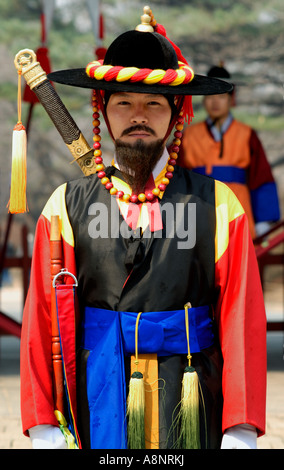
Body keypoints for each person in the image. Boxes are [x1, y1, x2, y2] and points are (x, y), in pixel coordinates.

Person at [20, 9, 267, 450]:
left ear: (175, 114)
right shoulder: (65, 206)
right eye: (124, 103)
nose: (139, 115)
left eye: (153, 103)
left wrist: (240, 428)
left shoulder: (218, 204)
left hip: (191, 390)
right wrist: (43, 426)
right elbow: (41, 322)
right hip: (98, 393)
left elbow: (240, 319)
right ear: (103, 111)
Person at [178, 63, 280, 240]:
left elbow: (260, 178)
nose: (215, 101)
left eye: (222, 95)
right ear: (204, 99)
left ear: (232, 99)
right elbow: (178, 180)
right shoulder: (188, 135)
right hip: (199, 215)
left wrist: (262, 221)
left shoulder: (247, 135)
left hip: (239, 212)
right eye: (210, 96)